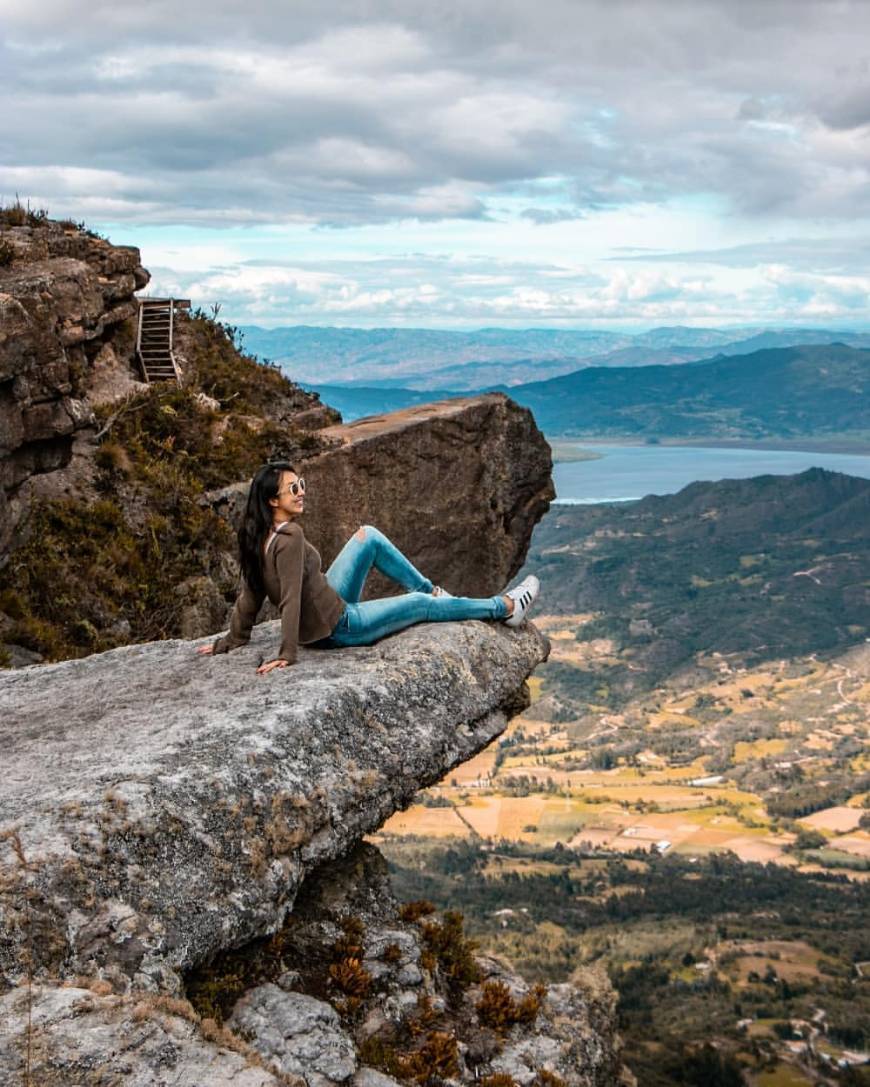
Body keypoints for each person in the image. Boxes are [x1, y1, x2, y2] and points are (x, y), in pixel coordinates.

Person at [196, 461, 540, 675]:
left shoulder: (259, 535)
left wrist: (234, 638)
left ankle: (429, 588)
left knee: (368, 537)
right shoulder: (291, 537)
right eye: (293, 489)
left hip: (327, 599)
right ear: (273, 501)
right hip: (338, 626)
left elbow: (251, 593)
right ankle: (505, 608)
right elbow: (287, 599)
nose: (302, 493)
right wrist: (287, 653)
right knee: (423, 610)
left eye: (302, 485)